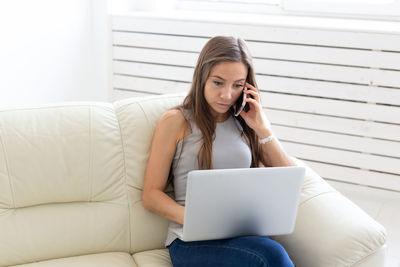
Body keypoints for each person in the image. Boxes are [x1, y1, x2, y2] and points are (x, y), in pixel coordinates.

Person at [142, 35, 298, 267]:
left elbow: (291, 181)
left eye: (237, 85)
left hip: (243, 236)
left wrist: (263, 129)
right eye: (218, 82)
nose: (227, 95)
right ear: (202, 77)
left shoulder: (247, 122)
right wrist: (196, 220)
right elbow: (151, 195)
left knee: (268, 251)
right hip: (191, 241)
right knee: (270, 255)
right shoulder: (176, 121)